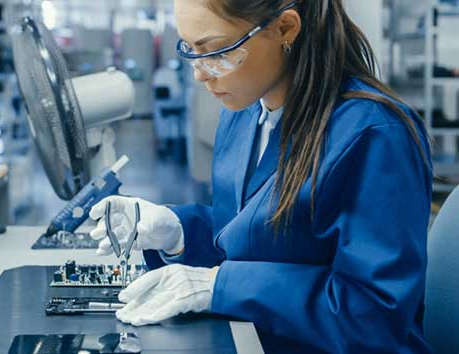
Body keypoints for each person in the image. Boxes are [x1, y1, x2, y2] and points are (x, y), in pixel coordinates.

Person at [89, 0, 433, 353]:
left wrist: (219, 285)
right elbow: (259, 237)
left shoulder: (373, 134)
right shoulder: (245, 114)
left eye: (216, 51)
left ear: (285, 28)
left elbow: (373, 315)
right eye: (189, 49)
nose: (200, 74)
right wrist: (178, 231)